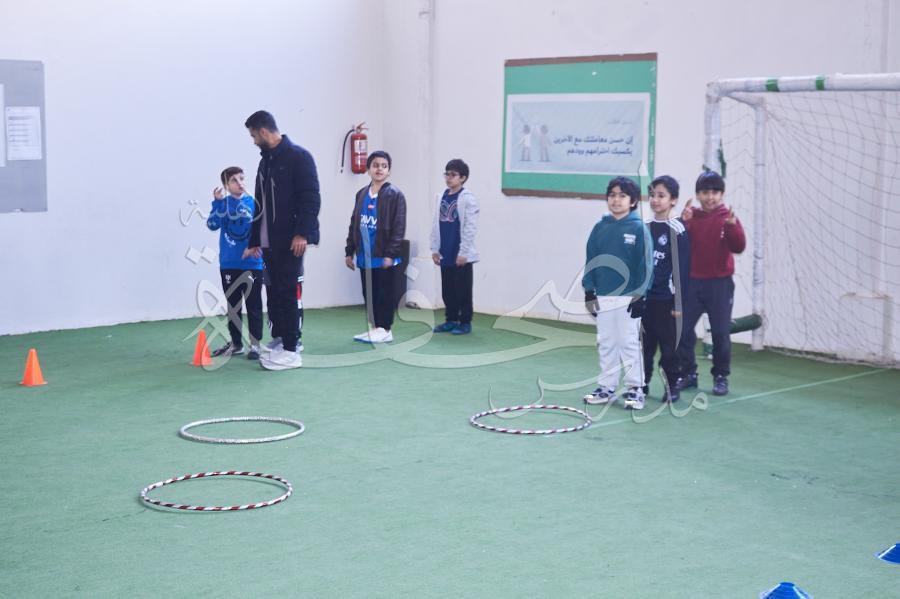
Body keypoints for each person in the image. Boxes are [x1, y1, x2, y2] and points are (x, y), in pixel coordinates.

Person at [242, 110, 321, 371]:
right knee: (274, 292)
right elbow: (259, 203)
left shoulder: (299, 157)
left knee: (287, 292)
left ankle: (292, 349)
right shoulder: (265, 162)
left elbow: (310, 198)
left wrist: (302, 233)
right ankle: (281, 339)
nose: (254, 141)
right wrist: (254, 240)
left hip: (290, 241)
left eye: (254, 136)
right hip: (269, 243)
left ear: (264, 132)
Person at [582, 177, 653, 409]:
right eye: (612, 195)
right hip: (604, 295)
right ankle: (606, 387)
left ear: (633, 201)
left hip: (629, 298)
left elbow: (646, 266)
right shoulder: (600, 228)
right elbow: (591, 259)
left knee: (628, 342)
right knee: (606, 342)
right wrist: (589, 291)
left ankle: (635, 389)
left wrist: (640, 295)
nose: (616, 200)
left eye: (622, 195)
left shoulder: (639, 228)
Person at [676, 170, 746, 395]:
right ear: (698, 195)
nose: (710, 197)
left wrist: (733, 226)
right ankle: (688, 374)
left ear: (722, 194)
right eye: (705, 192)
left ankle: (721, 376)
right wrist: (683, 223)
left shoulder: (728, 217)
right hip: (692, 283)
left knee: (720, 333)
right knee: (682, 330)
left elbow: (739, 247)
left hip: (720, 285)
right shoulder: (691, 217)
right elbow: (678, 245)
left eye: (715, 192)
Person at [344, 151, 407, 343]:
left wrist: (390, 254)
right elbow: (354, 223)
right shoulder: (361, 194)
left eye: (384, 166)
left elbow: (399, 227)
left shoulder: (395, 195)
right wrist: (349, 251)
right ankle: (375, 328)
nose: (379, 169)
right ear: (368, 169)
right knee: (369, 294)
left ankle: (385, 329)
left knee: (384, 294)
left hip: (383, 256)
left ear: (389, 171)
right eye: (375, 165)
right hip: (365, 255)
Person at [206, 167, 264, 360]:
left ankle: (255, 345)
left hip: (252, 264)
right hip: (229, 264)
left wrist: (257, 248)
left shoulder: (253, 203)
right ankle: (237, 343)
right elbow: (212, 224)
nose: (239, 183)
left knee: (254, 305)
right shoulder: (223, 205)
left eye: (241, 178)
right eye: (233, 180)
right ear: (226, 185)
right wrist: (217, 203)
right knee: (233, 306)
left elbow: (263, 230)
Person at [642, 175, 690, 402]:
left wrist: (678, 304)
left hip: (666, 301)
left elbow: (682, 271)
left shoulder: (677, 230)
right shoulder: (644, 227)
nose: (655, 200)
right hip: (644, 300)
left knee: (669, 348)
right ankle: (640, 386)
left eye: (661, 195)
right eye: (652, 195)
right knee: (643, 347)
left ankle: (672, 386)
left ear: (673, 200)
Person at [430, 159, 479, 335]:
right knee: (448, 290)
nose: (449, 178)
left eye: (453, 175)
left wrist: (464, 252)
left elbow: (470, 227)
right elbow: (435, 224)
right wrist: (434, 249)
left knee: (463, 290)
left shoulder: (468, 199)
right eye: (447, 174)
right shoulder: (441, 197)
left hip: (460, 253)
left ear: (463, 178)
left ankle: (465, 322)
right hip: (445, 252)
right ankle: (450, 319)